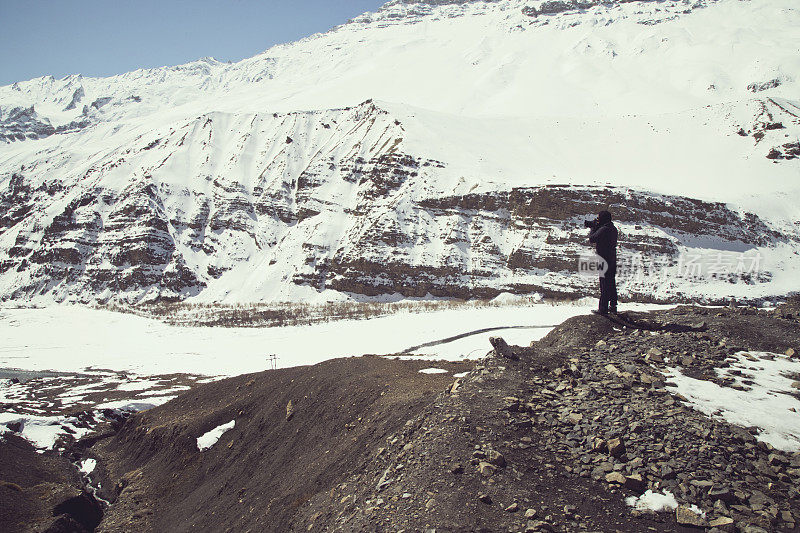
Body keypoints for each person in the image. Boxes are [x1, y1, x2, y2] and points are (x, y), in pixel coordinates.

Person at [587, 210, 618, 315]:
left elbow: (592, 239)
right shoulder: (613, 229)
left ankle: (603, 309)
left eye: (599, 217)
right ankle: (613, 305)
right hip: (612, 258)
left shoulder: (604, 229)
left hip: (603, 259)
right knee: (611, 282)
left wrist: (593, 228)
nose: (597, 219)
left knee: (604, 283)